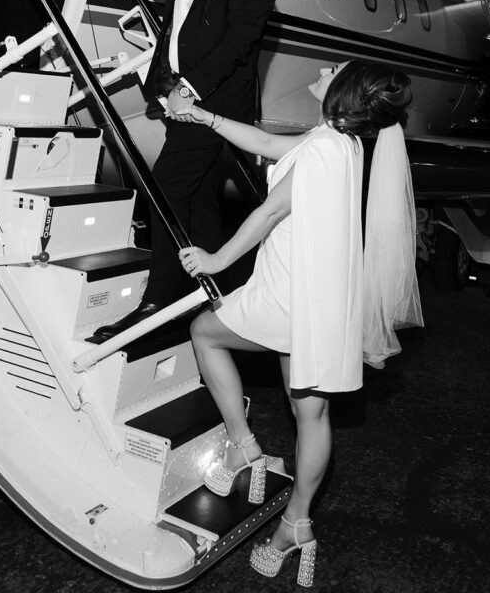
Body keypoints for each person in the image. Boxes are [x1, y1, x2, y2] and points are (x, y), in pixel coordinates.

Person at [176, 60, 423, 587]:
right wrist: (202, 116)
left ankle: (244, 446)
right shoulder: (341, 143)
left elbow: (268, 213)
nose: (325, 68)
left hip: (288, 295)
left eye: (336, 70)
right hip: (323, 301)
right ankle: (297, 525)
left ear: (346, 93)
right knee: (309, 413)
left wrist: (215, 260)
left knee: (204, 332)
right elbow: (265, 145)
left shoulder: (319, 148)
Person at [96, 0, 278, 336]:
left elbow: (238, 42)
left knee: (164, 191)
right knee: (197, 205)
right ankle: (216, 300)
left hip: (211, 106)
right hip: (179, 98)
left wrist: (189, 87)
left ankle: (155, 304)